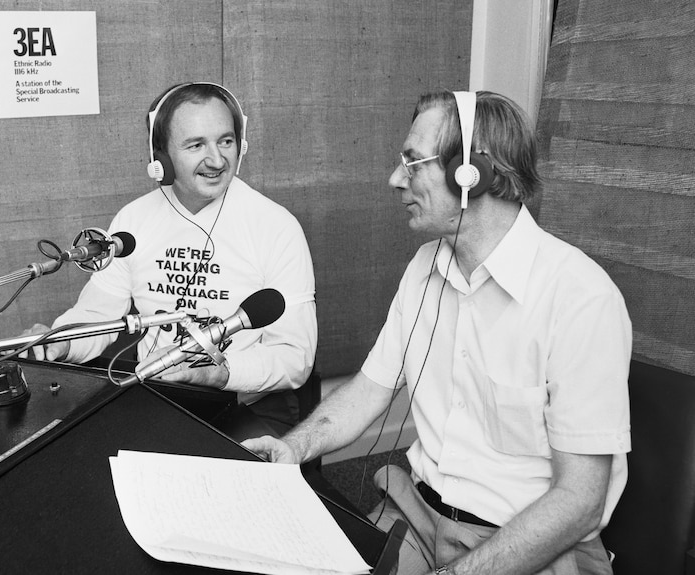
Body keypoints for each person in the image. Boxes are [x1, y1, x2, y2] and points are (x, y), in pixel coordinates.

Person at [242, 90, 631, 575]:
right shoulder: (424, 268)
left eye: (412, 163)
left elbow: (580, 503)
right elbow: (369, 389)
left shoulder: (582, 298)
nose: (394, 180)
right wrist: (294, 447)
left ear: (472, 173)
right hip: (420, 513)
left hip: (533, 544)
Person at [24, 82, 317, 434]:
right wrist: (63, 342)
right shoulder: (133, 221)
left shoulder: (276, 227)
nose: (217, 159)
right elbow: (97, 316)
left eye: (226, 141)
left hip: (245, 403)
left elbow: (294, 357)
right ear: (159, 157)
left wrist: (221, 373)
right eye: (195, 145)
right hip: (156, 395)